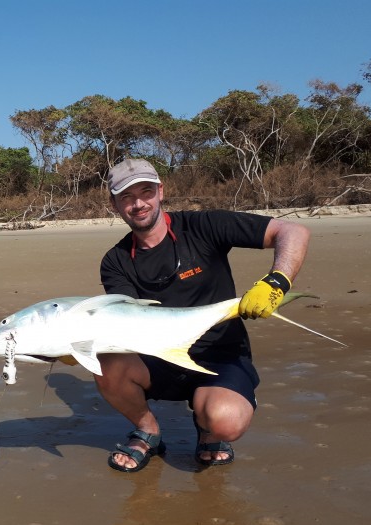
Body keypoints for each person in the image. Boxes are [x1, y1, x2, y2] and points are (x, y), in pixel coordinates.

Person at [97, 159, 310, 472]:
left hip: (219, 355)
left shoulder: (204, 226)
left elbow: (292, 230)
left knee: (226, 422)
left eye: (146, 192)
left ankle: (208, 426)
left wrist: (277, 281)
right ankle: (148, 430)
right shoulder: (114, 261)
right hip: (159, 356)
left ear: (161, 191)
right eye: (126, 197)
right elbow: (125, 320)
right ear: (114, 204)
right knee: (101, 360)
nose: (139, 204)